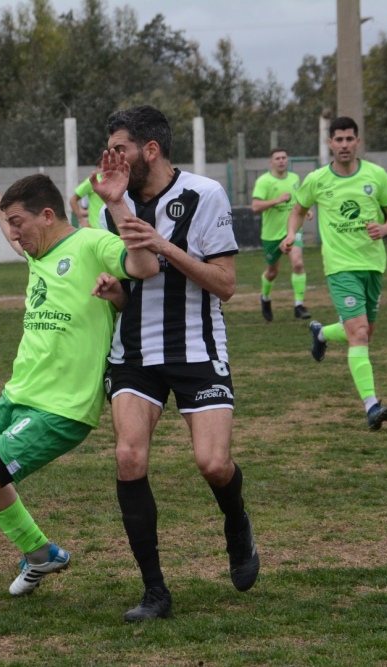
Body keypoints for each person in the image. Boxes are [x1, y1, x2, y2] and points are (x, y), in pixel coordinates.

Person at [0, 159, 159, 623]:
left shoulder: (91, 242)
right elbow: (13, 225)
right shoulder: (39, 250)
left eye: (20, 223)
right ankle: (41, 554)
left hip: (59, 408)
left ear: (47, 216)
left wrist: (118, 206)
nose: (13, 234)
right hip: (18, 394)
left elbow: (143, 264)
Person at [100, 105, 259, 623]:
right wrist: (113, 292)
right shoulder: (109, 206)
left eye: (120, 148)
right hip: (134, 354)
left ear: (150, 150)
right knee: (128, 457)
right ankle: (155, 593)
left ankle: (236, 521)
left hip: (197, 349)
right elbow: (129, 286)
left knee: (213, 464)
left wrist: (164, 246)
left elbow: (227, 285)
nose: (111, 159)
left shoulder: (204, 195)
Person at [282, 116, 387, 431]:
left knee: (363, 334)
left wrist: (385, 227)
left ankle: (321, 333)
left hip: (373, 265)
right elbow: (297, 209)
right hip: (340, 266)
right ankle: (371, 406)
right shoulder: (318, 179)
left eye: (350, 139)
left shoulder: (376, 176)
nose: (345, 145)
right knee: (359, 333)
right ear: (330, 143)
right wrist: (290, 235)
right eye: (339, 140)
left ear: (358, 142)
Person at [252, 147, 314, 321]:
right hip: (271, 235)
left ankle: (299, 305)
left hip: (292, 231)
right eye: (277, 158)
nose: (281, 161)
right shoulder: (264, 181)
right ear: (271, 162)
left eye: (284, 158)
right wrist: (277, 200)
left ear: (288, 160)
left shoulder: (295, 179)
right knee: (272, 272)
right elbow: (256, 207)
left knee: (298, 263)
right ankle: (265, 298)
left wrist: (305, 211)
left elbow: (298, 203)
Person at [69, 157, 107, 230]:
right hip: (96, 230)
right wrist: (82, 221)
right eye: (101, 166)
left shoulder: (120, 182)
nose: (103, 169)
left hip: (114, 231)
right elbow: (72, 200)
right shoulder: (93, 181)